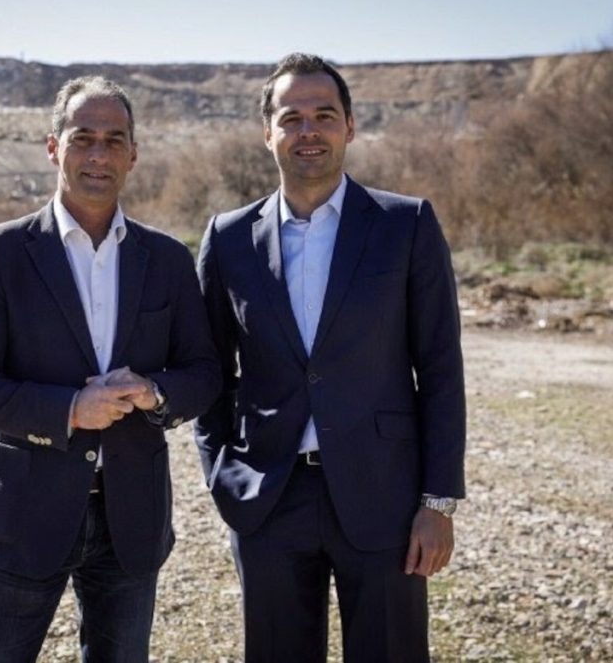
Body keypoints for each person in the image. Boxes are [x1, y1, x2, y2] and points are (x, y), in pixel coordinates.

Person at [0, 75, 220, 662]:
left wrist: (154, 392)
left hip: (132, 521)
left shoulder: (167, 259)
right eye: (83, 137)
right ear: (53, 147)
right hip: (24, 516)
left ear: (133, 155)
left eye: (114, 140)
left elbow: (204, 373)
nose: (98, 154)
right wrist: (68, 409)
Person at [195, 53, 466, 662]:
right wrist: (223, 476)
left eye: (324, 115)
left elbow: (442, 372)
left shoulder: (407, 224)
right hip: (268, 499)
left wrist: (438, 502)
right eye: (291, 118)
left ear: (350, 126)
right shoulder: (228, 238)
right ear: (268, 133)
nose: (308, 131)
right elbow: (211, 372)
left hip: (386, 498)